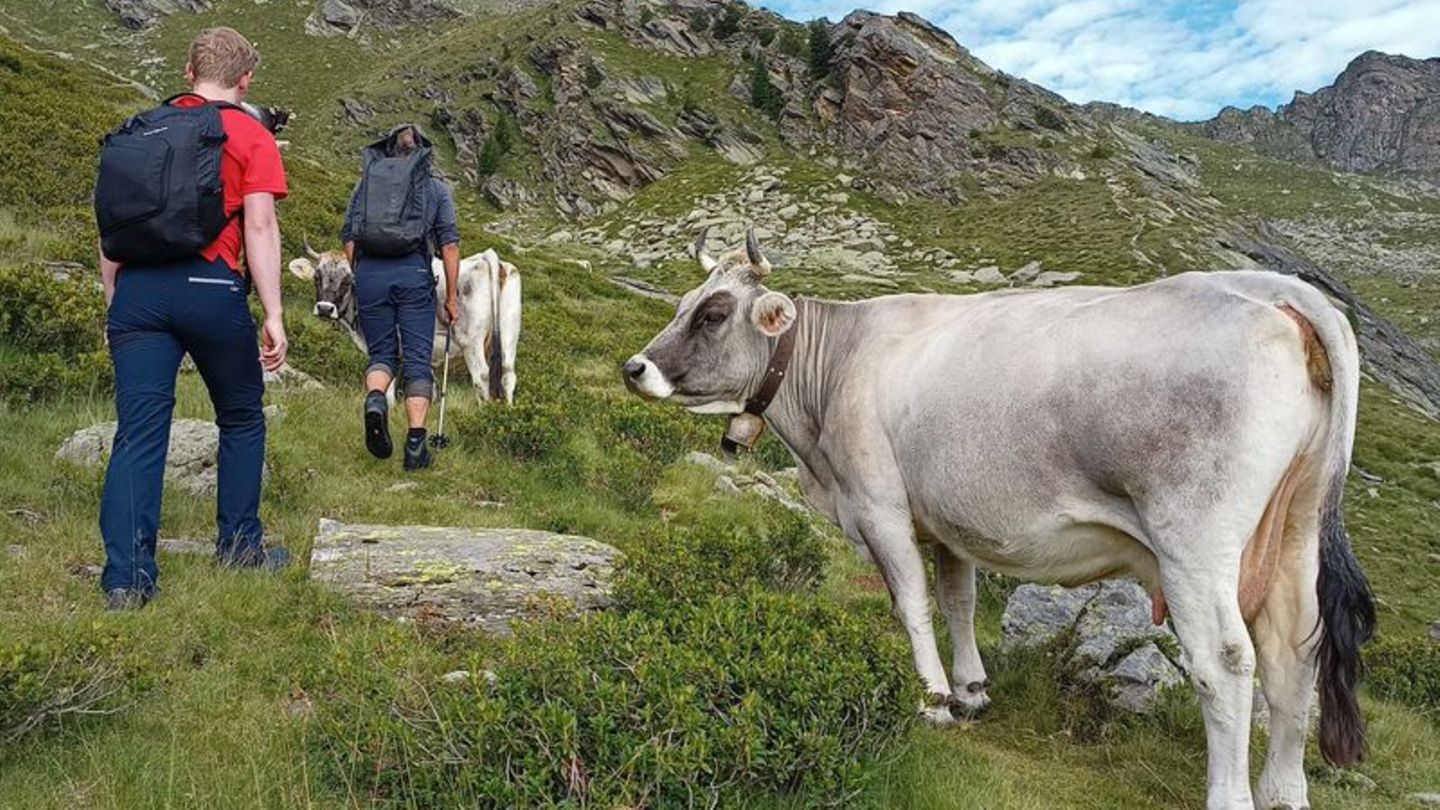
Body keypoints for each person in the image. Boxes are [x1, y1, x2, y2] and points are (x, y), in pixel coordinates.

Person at [96, 27, 290, 611]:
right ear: (246, 79)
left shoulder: (140, 129)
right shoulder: (251, 134)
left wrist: (116, 301)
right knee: (240, 417)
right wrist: (274, 312)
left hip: (137, 293)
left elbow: (112, 228)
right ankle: (238, 547)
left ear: (188, 72)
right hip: (210, 287)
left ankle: (127, 580)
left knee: (138, 433)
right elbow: (259, 227)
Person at [340, 123, 460, 471]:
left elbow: (350, 236)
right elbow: (449, 246)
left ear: (389, 149)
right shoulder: (435, 189)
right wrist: (451, 297)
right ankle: (415, 448)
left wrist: (361, 273)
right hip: (414, 275)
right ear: (423, 154)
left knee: (382, 353)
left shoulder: (366, 185)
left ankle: (376, 399)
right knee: (418, 360)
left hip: (370, 275)